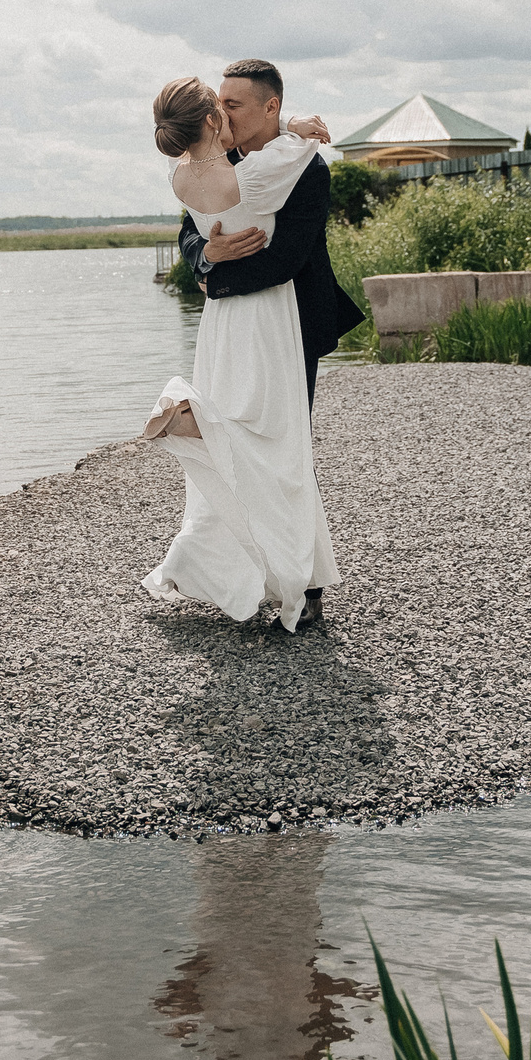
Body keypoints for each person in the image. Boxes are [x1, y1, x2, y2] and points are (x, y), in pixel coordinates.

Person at [136, 62, 363, 634]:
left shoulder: (287, 169)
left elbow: (288, 256)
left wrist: (216, 280)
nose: (228, 111)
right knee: (277, 449)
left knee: (285, 446)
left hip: (284, 321)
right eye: (222, 104)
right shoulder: (266, 159)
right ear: (212, 116)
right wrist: (206, 262)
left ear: (267, 107)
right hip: (253, 322)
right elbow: (190, 240)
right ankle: (272, 569)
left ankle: (294, 576)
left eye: (238, 103)